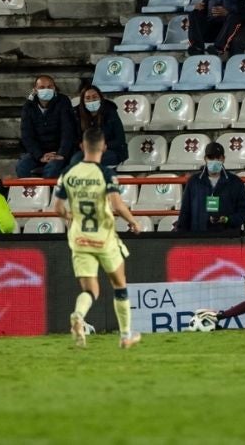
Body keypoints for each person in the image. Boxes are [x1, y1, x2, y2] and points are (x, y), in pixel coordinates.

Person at [54, 128, 142, 349]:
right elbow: (116, 205)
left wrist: (69, 215)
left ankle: (78, 315)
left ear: (82, 146)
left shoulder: (68, 174)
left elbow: (57, 208)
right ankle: (125, 336)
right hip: (103, 238)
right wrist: (133, 222)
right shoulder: (106, 173)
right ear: (104, 147)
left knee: (89, 291)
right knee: (119, 285)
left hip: (79, 239)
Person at [175, 142, 245, 233]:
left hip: (227, 239)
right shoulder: (194, 182)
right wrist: (180, 233)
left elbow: (244, 212)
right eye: (211, 157)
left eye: (218, 157)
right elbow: (185, 212)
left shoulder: (236, 182)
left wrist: (227, 220)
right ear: (205, 159)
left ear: (223, 159)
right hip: (199, 237)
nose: (214, 160)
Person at [16, 75, 77, 179]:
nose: (46, 90)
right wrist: (40, 156)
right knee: (21, 166)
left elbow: (68, 131)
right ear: (35, 90)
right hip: (39, 152)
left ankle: (50, 194)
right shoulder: (28, 106)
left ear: (54, 88)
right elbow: (27, 135)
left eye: (50, 87)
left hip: (59, 151)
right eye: (42, 87)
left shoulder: (63, 101)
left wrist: (61, 153)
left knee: (52, 169)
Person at [69, 85, 128, 168]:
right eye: (88, 98)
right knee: (75, 161)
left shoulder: (110, 111)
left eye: (95, 97)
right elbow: (73, 137)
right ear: (83, 101)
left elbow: (120, 139)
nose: (91, 100)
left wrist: (103, 146)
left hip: (110, 150)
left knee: (90, 162)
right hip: (85, 151)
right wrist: (81, 145)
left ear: (100, 98)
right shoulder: (76, 114)